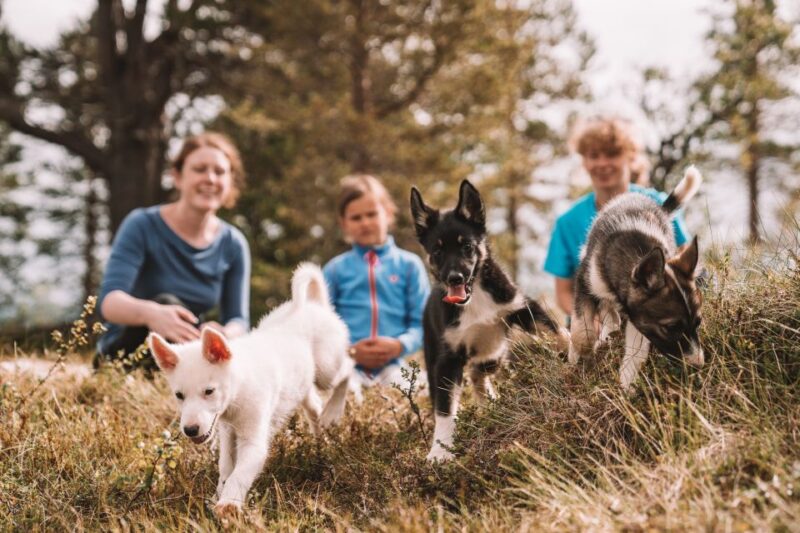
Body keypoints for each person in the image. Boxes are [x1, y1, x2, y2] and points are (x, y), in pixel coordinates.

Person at [95, 132, 251, 370]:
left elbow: (239, 320)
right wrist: (152, 314)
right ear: (177, 177)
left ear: (230, 183)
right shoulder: (142, 225)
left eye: (219, 172)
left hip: (187, 353)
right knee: (166, 301)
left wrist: (225, 333)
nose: (210, 178)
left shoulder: (234, 244)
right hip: (125, 355)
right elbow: (109, 302)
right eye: (199, 169)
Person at [544, 117, 690, 317]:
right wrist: (589, 322)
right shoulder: (567, 222)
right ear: (584, 162)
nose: (602, 163)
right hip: (593, 328)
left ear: (630, 157)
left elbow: (683, 261)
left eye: (612, 154)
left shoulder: (658, 204)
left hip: (652, 321)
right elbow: (563, 293)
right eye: (594, 155)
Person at [323, 174, 431, 389]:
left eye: (372, 214)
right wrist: (350, 351)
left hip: (396, 366)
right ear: (343, 223)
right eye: (356, 218)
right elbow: (320, 328)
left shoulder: (409, 265)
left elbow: (424, 323)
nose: (365, 223)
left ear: (388, 213)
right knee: (344, 396)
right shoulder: (334, 269)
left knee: (417, 390)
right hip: (346, 367)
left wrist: (400, 345)